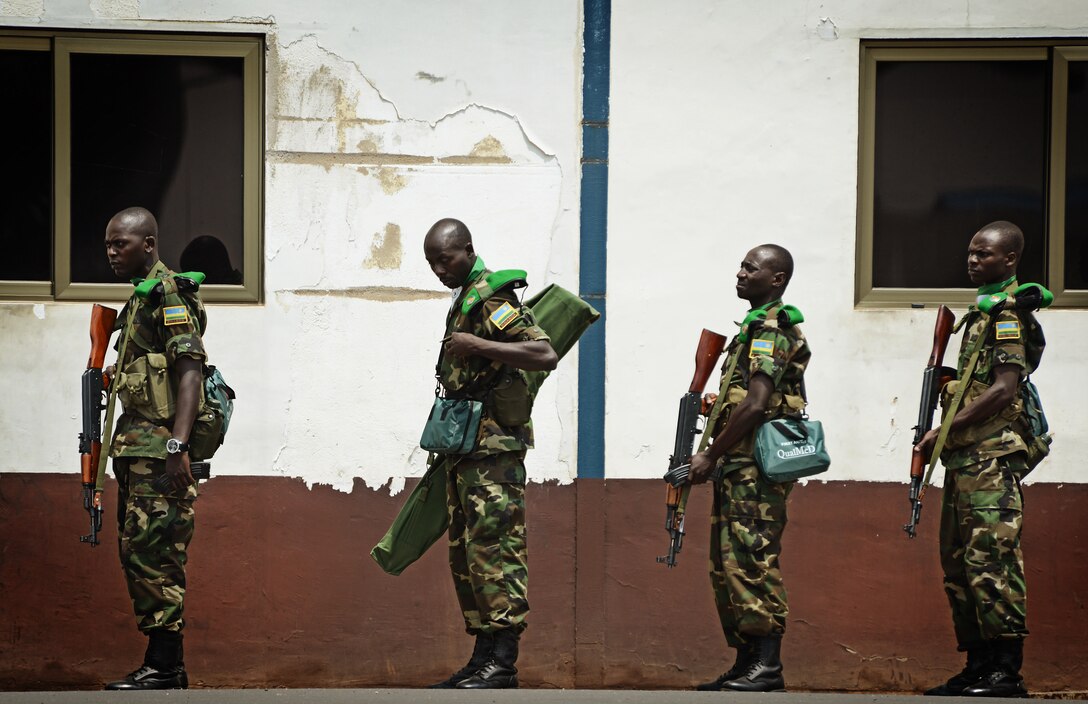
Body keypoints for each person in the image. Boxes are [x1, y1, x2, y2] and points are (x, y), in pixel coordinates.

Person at [422, 218, 557, 689]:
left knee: (496, 549)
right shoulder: (466, 297)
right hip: (468, 448)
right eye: (432, 263)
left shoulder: (492, 298)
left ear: (467, 250)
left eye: (446, 259)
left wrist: (475, 343)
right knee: (467, 552)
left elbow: (543, 352)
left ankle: (503, 661)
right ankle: (482, 656)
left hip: (494, 450)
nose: (440, 269)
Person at [915, 221, 1044, 698]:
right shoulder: (984, 313)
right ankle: (978, 665)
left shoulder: (1008, 316)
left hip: (992, 458)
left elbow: (1004, 389)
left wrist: (944, 427)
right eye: (970, 253)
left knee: (992, 558)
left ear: (1010, 259)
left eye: (984, 255)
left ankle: (1005, 671)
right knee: (959, 562)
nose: (972, 260)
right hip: (967, 460)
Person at [687, 244, 810, 693]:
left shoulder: (772, 330)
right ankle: (746, 663)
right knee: (729, 565)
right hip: (741, 465)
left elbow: (758, 404)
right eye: (741, 265)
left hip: (756, 466)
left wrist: (710, 454)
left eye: (750, 268)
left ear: (776, 279)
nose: (739, 273)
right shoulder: (755, 328)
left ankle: (767, 666)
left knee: (753, 559)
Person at [102, 207, 208, 690]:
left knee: (155, 554)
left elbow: (190, 372)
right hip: (136, 449)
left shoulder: (169, 296)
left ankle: (166, 666)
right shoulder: (141, 299)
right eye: (107, 245)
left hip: (158, 452)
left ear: (148, 244)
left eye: (119, 244)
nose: (111, 253)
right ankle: (163, 662)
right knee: (138, 552)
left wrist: (176, 444)